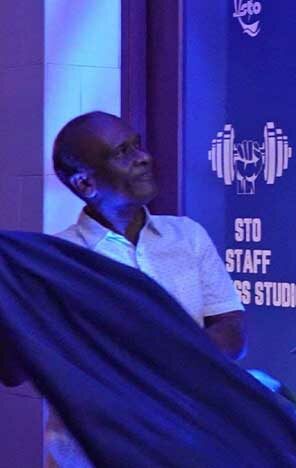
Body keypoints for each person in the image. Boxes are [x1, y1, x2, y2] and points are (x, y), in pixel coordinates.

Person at [44, 110, 246, 467]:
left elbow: (230, 329)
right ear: (85, 184)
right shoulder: (56, 260)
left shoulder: (188, 236)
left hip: (189, 446)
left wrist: (172, 364)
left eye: (137, 145)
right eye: (122, 152)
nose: (144, 158)